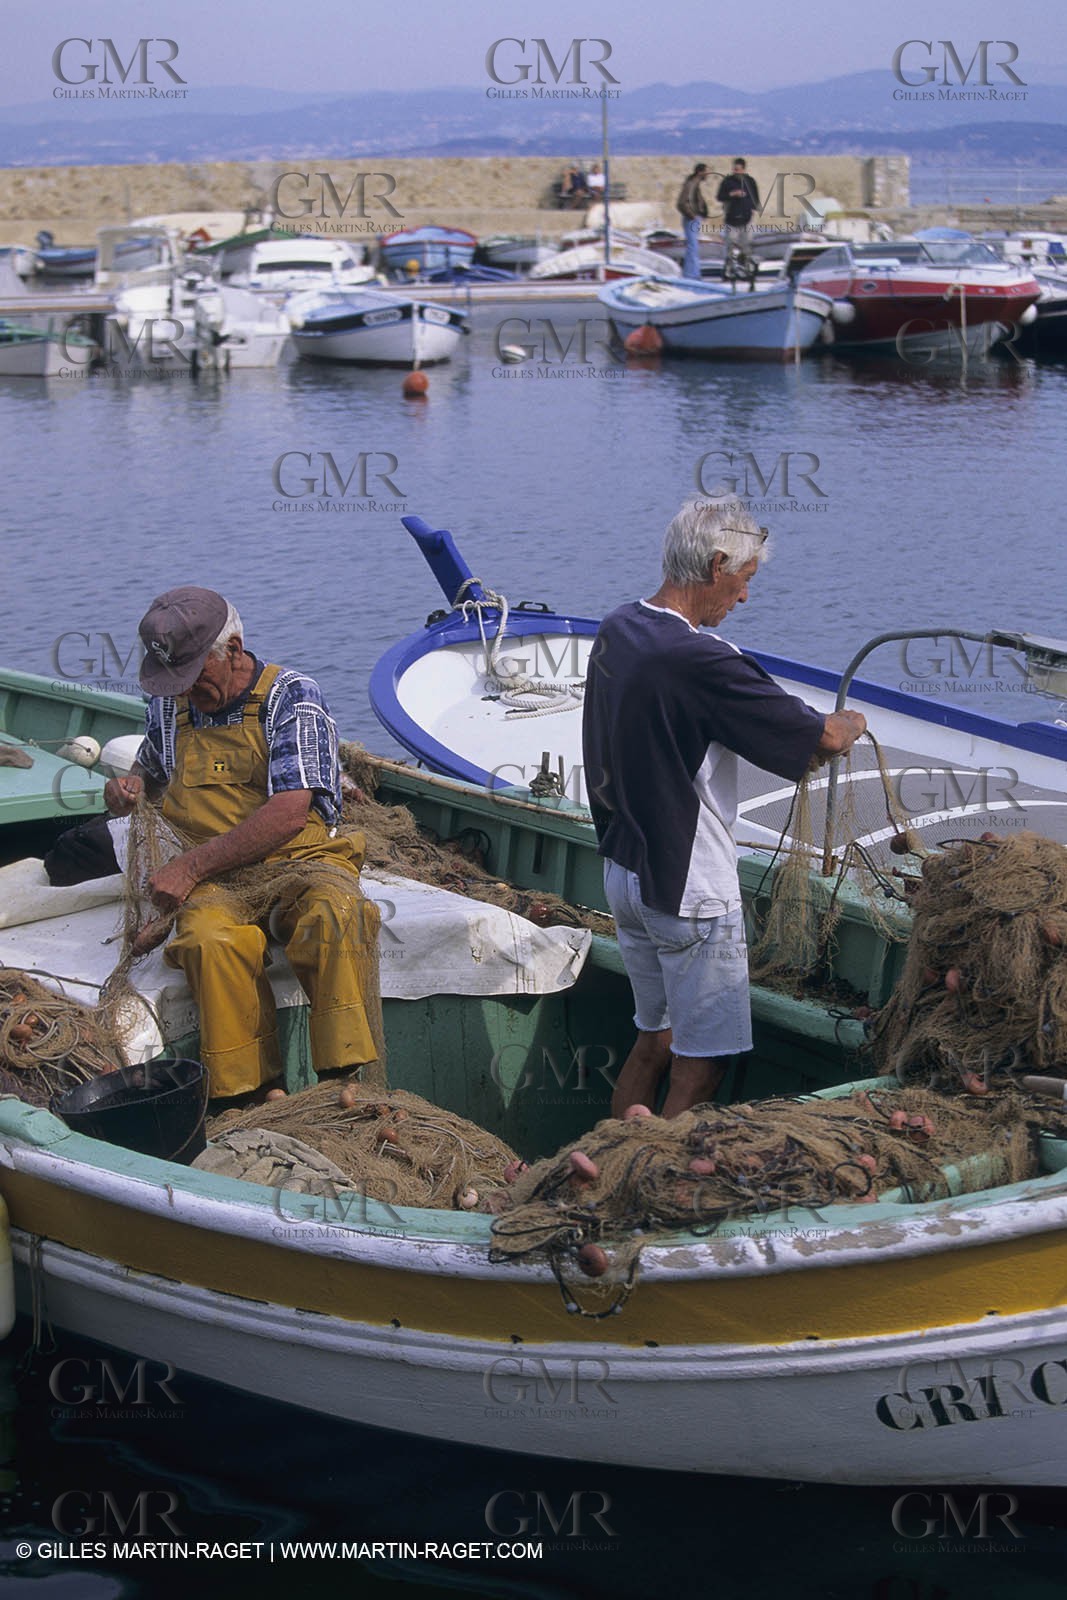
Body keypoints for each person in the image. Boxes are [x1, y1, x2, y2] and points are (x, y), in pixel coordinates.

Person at [581, 499, 866, 1120]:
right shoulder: (704, 660)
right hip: (690, 893)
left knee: (651, 1041)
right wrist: (853, 720)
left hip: (624, 875)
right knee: (700, 1067)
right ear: (717, 565)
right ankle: (648, 1199)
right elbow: (821, 739)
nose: (743, 599)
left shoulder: (619, 627)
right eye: (746, 580)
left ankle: (600, 1164)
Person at [103, 586, 381, 1101]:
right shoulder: (170, 708)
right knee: (208, 942)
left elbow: (288, 814)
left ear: (231, 650)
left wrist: (186, 868)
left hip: (302, 859)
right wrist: (130, 788)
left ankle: (342, 1084)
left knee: (335, 914)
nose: (184, 692)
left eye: (192, 678)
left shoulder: (291, 696)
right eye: (174, 681)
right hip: (218, 879)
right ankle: (255, 1094)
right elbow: (153, 770)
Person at [716, 158, 760, 275]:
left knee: (747, 245)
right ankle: (729, 268)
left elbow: (755, 198)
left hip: (746, 218)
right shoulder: (727, 181)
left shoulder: (750, 181)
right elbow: (719, 196)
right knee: (730, 244)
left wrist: (753, 207)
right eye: (734, 169)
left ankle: (745, 267)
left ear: (744, 169)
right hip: (731, 219)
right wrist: (732, 194)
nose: (736, 171)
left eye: (738, 169)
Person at [676, 162, 710, 280]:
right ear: (700, 172)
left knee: (693, 246)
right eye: (706, 171)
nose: (708, 174)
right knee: (693, 246)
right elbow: (681, 203)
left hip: (693, 219)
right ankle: (691, 275)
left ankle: (692, 273)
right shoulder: (691, 184)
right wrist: (692, 215)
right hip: (691, 220)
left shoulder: (694, 184)